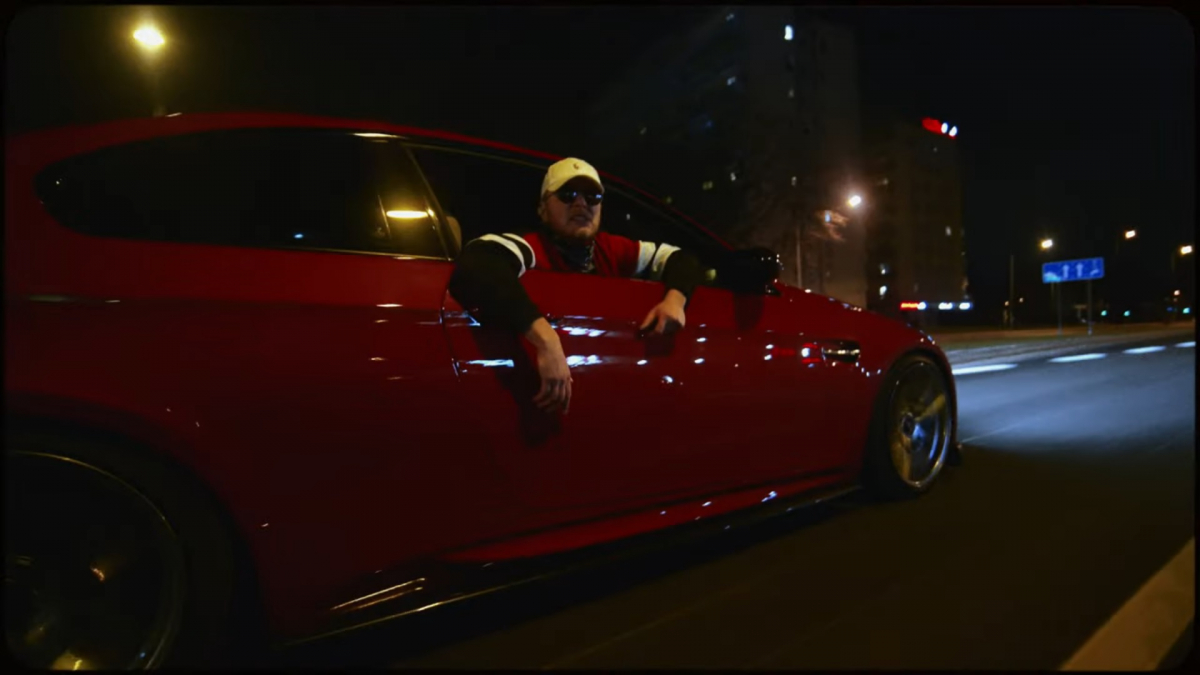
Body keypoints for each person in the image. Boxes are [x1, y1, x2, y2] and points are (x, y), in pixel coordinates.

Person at [449, 157, 705, 416]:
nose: (581, 203)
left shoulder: (610, 249)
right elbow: (478, 262)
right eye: (568, 194)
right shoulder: (534, 247)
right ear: (542, 208)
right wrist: (546, 339)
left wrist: (675, 300)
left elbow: (680, 258)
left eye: (592, 196)